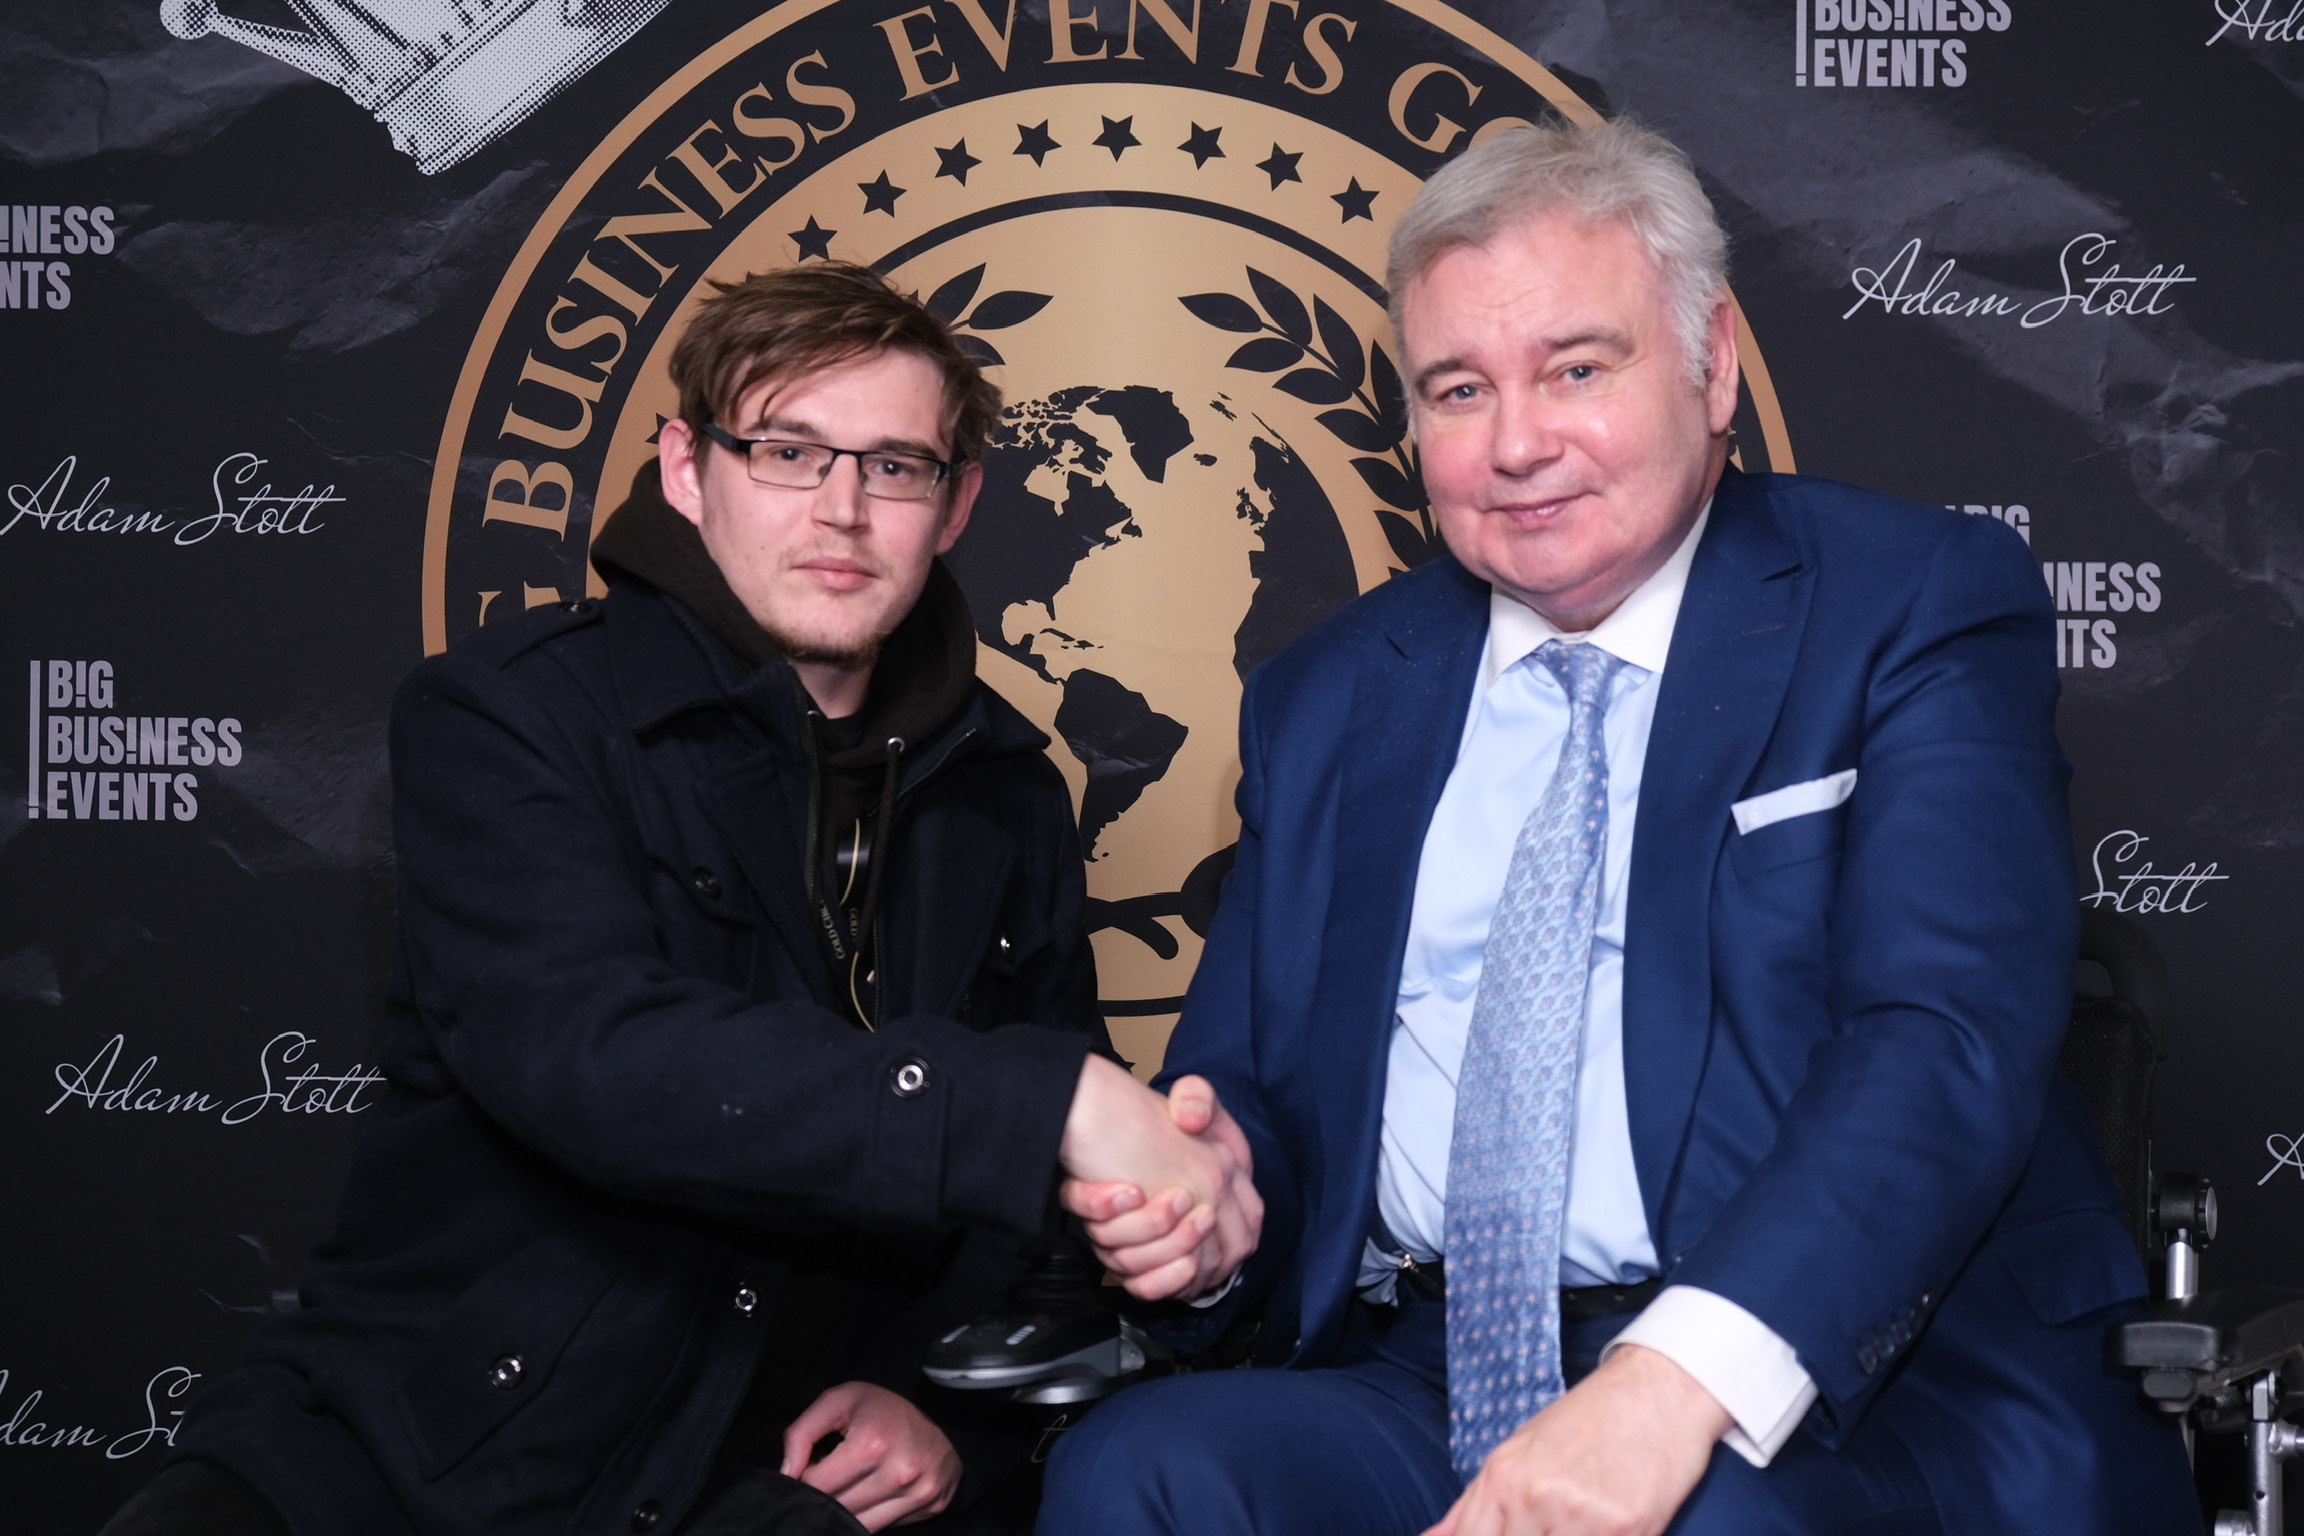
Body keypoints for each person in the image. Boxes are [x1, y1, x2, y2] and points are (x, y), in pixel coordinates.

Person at [1040, 121, 2198, 1535]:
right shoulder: (1328, 696)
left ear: (1712, 367)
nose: (1517, 444)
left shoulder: (1914, 602)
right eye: (1457, 390)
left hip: (1839, 1380)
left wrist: (1669, 1382)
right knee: (1139, 1471)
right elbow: (1256, 1095)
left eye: (1577, 370)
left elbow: (1939, 1040)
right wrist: (1219, 1214)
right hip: (1434, 1363)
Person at [100, 262, 1258, 1536]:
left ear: (957, 503)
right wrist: (1049, 1102)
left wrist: (955, 1415)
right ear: (685, 468)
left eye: (895, 466)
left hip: (768, 1464)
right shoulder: (507, 715)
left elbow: (1041, 1241)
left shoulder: (1006, 788)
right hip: (426, 1447)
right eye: (786, 451)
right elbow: (591, 1058)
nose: (842, 510)